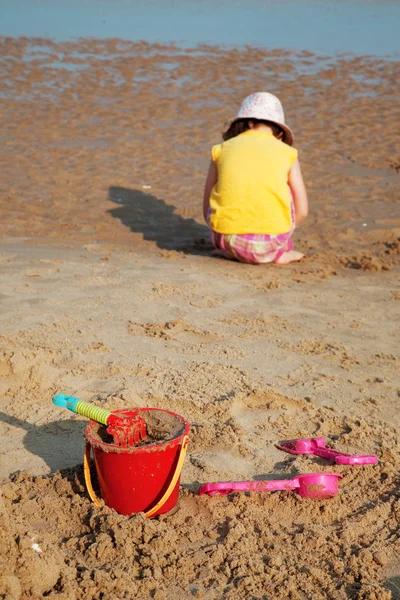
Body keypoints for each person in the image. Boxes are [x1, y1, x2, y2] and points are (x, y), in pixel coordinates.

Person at [203, 92, 308, 265]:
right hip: (269, 243)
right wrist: (283, 233)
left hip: (225, 238)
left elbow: (206, 204)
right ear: (280, 134)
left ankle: (234, 251)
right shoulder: (288, 153)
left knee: (225, 190)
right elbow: (302, 210)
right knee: (282, 188)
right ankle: (276, 253)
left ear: (245, 124)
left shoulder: (220, 149)